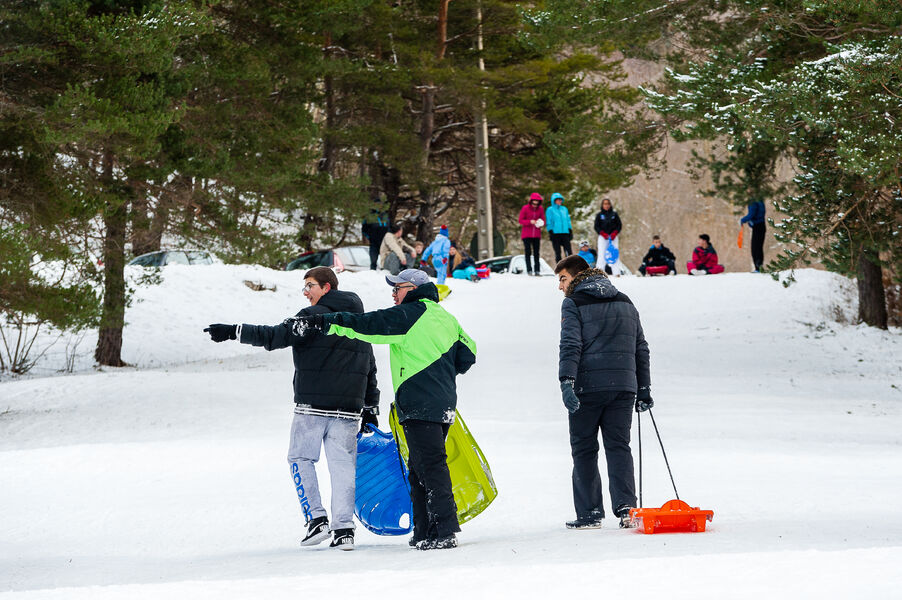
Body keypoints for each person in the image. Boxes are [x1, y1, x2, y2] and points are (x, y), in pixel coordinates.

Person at [285, 269, 477, 550]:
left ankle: (445, 531)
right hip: (443, 403)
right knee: (418, 467)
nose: (393, 294)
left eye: (397, 288)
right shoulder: (445, 317)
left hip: (418, 404)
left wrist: (325, 323)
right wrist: (440, 372)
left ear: (411, 288)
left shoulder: (410, 314)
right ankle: (424, 531)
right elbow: (468, 353)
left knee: (431, 467)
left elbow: (365, 324)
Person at [203, 266, 379, 551]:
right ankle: (344, 530)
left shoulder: (311, 318)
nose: (306, 292)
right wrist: (370, 407)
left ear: (327, 288)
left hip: (312, 406)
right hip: (348, 410)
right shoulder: (357, 322)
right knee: (343, 468)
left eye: (310, 286)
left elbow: (274, 336)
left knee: (299, 458)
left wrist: (233, 331)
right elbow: (370, 366)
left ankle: (316, 520)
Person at [554, 255, 652, 530]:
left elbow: (570, 344)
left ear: (576, 276)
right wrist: (643, 388)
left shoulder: (573, 302)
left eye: (563, 279)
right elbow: (640, 347)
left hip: (588, 387)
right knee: (619, 446)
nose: (560, 286)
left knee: (584, 448)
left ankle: (589, 513)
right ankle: (626, 508)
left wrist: (566, 381)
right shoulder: (625, 301)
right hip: (624, 386)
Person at [593, 198, 622, 276]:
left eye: (608, 204)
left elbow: (619, 225)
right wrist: (602, 233)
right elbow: (596, 226)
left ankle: (616, 272)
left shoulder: (614, 214)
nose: (606, 205)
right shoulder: (599, 215)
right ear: (602, 205)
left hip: (613, 237)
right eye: (605, 204)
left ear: (610, 205)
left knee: (614, 254)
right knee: (601, 254)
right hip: (603, 237)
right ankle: (599, 272)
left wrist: (615, 233)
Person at [518, 193, 545, 276]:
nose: (535, 205)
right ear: (531, 201)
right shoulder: (525, 208)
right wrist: (530, 221)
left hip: (536, 234)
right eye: (534, 203)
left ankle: (537, 270)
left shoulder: (540, 209)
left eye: (537, 203)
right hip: (526, 234)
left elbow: (543, 220)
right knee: (528, 252)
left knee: (536, 252)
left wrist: (540, 223)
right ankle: (529, 270)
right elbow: (520, 220)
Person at [545, 192, 573, 263]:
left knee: (569, 252)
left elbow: (568, 220)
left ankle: (570, 267)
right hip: (555, 233)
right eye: (558, 200)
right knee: (558, 252)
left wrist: (570, 230)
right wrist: (550, 231)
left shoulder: (564, 209)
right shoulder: (550, 209)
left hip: (565, 233)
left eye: (560, 199)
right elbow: (549, 221)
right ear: (554, 200)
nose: (559, 201)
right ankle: (559, 269)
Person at [740, 200, 766, 272]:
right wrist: (751, 222)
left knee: (755, 248)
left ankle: (758, 268)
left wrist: (743, 220)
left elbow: (752, 214)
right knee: (759, 247)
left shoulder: (753, 201)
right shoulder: (761, 201)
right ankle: (759, 267)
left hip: (757, 226)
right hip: (762, 225)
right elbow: (759, 214)